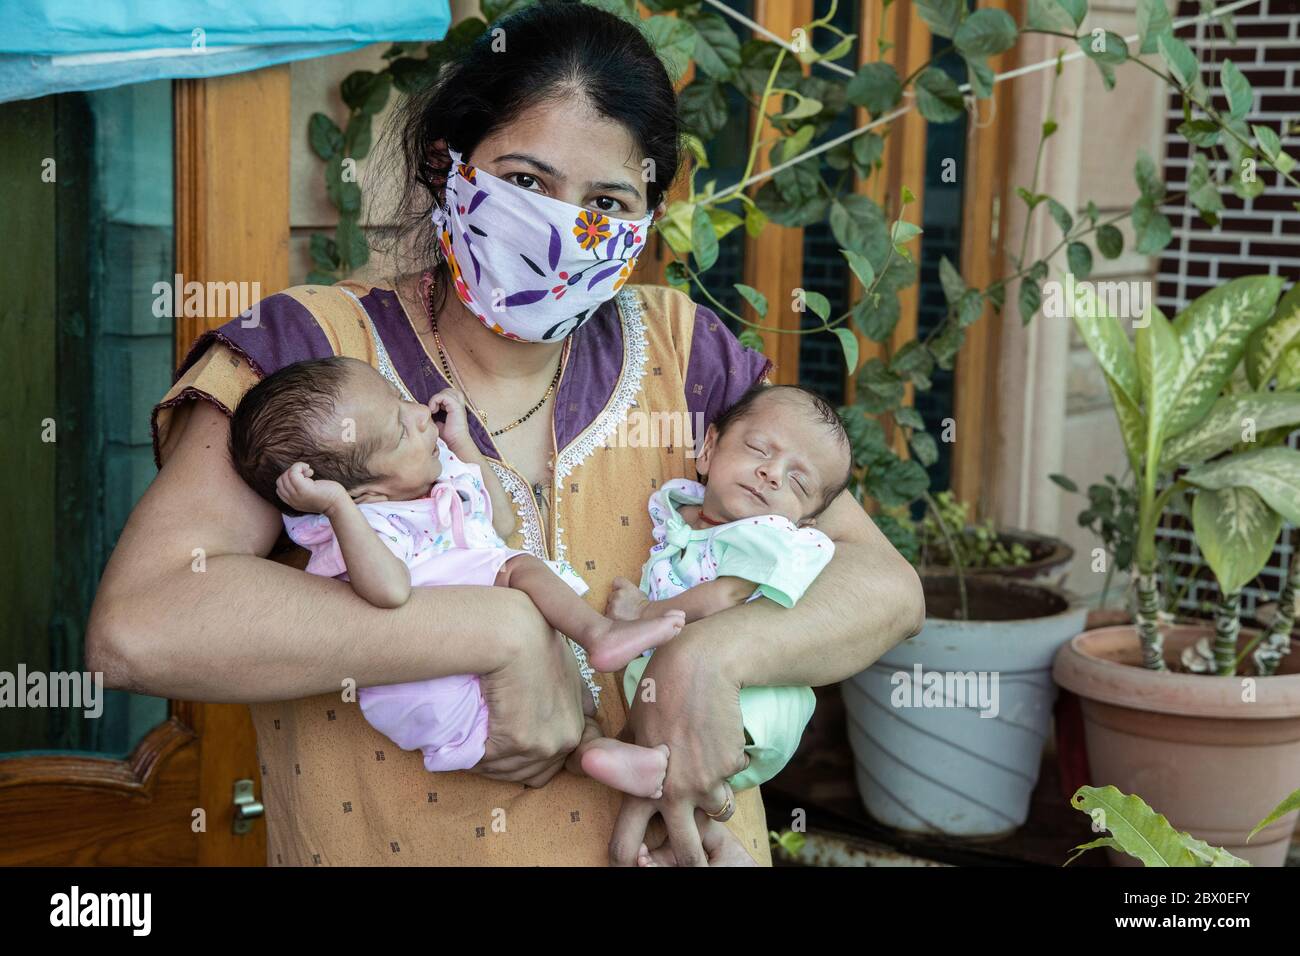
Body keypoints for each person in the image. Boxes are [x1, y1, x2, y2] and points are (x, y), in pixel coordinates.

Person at [87, 0, 924, 866]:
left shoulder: (686, 354)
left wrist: (716, 651)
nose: (564, 230)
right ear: (445, 163)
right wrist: (496, 631)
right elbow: (141, 625)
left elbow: (885, 588)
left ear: (645, 216)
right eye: (526, 182)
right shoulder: (313, 354)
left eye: (608, 200)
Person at [228, 356, 679, 796]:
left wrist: (462, 442)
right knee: (518, 568)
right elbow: (390, 591)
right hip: (444, 690)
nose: (420, 414)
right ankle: (599, 634)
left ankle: (596, 755)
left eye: (399, 398)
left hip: (487, 678)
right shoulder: (367, 525)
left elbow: (501, 520)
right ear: (366, 492)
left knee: (576, 708)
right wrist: (338, 508)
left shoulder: (430, 481)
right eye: (401, 430)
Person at [610, 383, 853, 797]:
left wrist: (644, 612)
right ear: (708, 449)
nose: (772, 474)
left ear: (804, 523)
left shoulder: (765, 535)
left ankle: (646, 765)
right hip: (682, 693)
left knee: (682, 755)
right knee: (673, 781)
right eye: (759, 449)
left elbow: (726, 596)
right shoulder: (682, 514)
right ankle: (647, 773)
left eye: (798, 482)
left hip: (752, 707)